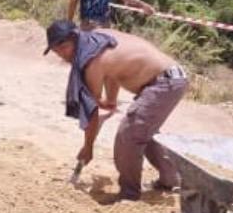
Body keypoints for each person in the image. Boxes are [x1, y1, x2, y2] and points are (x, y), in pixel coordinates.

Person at [44, 19, 186, 201]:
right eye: (56, 51)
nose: (62, 55)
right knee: (143, 133)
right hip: (170, 78)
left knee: (128, 134)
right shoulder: (98, 40)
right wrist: (110, 100)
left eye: (64, 47)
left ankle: (129, 194)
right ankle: (171, 180)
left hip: (165, 83)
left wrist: (88, 147)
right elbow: (112, 73)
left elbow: (91, 111)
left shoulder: (92, 60)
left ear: (76, 37)